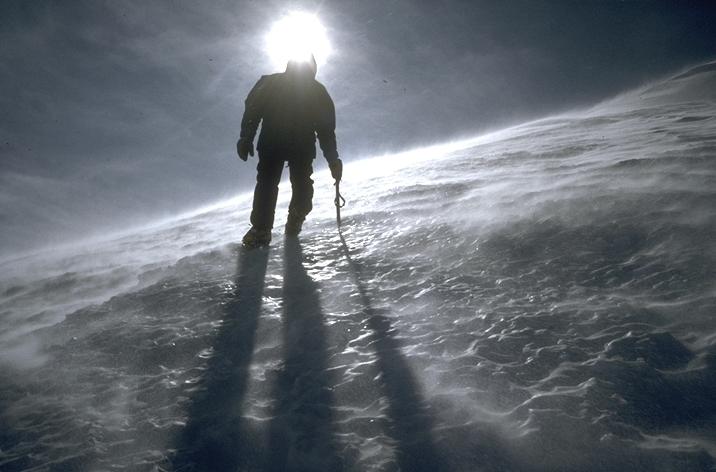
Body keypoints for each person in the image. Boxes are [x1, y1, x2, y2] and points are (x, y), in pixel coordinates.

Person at [237, 54, 342, 248]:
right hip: (292, 146)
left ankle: (267, 228)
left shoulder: (271, 82)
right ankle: (281, 222)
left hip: (277, 144)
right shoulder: (316, 91)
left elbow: (252, 110)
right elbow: (326, 132)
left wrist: (246, 137)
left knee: (270, 185)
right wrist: (333, 160)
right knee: (291, 185)